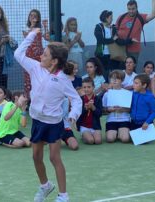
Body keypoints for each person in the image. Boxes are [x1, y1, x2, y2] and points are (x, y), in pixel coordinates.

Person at [14, 28, 82, 202]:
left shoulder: (63, 80)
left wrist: (73, 116)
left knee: (54, 157)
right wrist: (31, 35)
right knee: (36, 156)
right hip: (37, 120)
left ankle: (63, 196)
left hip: (53, 123)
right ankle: (45, 186)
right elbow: (18, 54)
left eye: (45, 55)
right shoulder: (35, 68)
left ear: (54, 61)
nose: (40, 57)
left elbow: (77, 100)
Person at [22, 9, 46, 99]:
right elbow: (27, 36)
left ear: (38, 18)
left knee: (39, 76)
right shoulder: (25, 27)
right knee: (28, 77)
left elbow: (46, 37)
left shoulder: (40, 28)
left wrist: (45, 26)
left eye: (35, 16)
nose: (33, 17)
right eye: (31, 16)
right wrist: (32, 26)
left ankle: (40, 97)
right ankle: (28, 100)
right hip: (29, 55)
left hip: (39, 55)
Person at [102, 70, 131, 143]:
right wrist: (109, 110)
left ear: (122, 80)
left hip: (124, 119)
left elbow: (130, 109)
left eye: (117, 78)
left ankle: (121, 132)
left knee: (125, 139)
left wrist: (123, 109)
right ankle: (117, 133)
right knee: (110, 139)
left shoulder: (127, 93)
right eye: (112, 78)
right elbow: (103, 109)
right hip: (111, 120)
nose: (114, 80)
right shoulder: (107, 94)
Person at [94, 10, 121, 80]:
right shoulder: (98, 27)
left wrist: (129, 40)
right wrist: (112, 39)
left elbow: (117, 40)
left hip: (112, 54)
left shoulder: (113, 28)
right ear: (106, 18)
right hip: (102, 55)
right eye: (110, 17)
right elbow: (101, 40)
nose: (112, 19)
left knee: (114, 73)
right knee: (103, 73)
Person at [77, 77, 103, 145]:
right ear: (82, 88)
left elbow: (100, 114)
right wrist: (85, 109)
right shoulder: (80, 99)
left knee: (98, 141)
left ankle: (91, 135)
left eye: (89, 87)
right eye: (84, 87)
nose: (86, 89)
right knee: (91, 141)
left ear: (93, 87)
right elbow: (78, 115)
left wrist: (93, 107)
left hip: (95, 126)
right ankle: (83, 135)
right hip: (84, 126)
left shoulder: (98, 99)